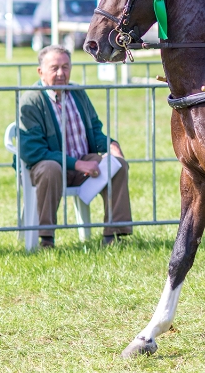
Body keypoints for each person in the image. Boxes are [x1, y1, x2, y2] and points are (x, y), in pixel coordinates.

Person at [18, 45, 132, 248]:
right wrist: (77, 164)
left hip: (83, 166)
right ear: (40, 71)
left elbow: (95, 130)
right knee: (51, 168)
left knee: (118, 165)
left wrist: (111, 145)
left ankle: (114, 235)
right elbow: (33, 151)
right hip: (46, 168)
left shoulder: (77, 93)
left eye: (65, 67)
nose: (61, 73)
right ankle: (46, 239)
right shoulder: (31, 100)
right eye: (54, 68)